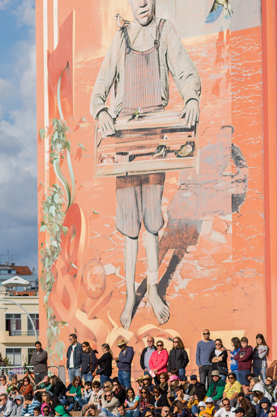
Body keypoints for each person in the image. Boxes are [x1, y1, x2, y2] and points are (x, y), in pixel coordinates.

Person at [90, 0, 201, 328]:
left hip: (155, 135)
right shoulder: (120, 39)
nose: (142, 3)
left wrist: (192, 95)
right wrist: (102, 112)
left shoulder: (165, 32)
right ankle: (129, 296)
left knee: (152, 220)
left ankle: (152, 289)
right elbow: (100, 89)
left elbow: (185, 69)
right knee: (129, 225)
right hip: (125, 139)